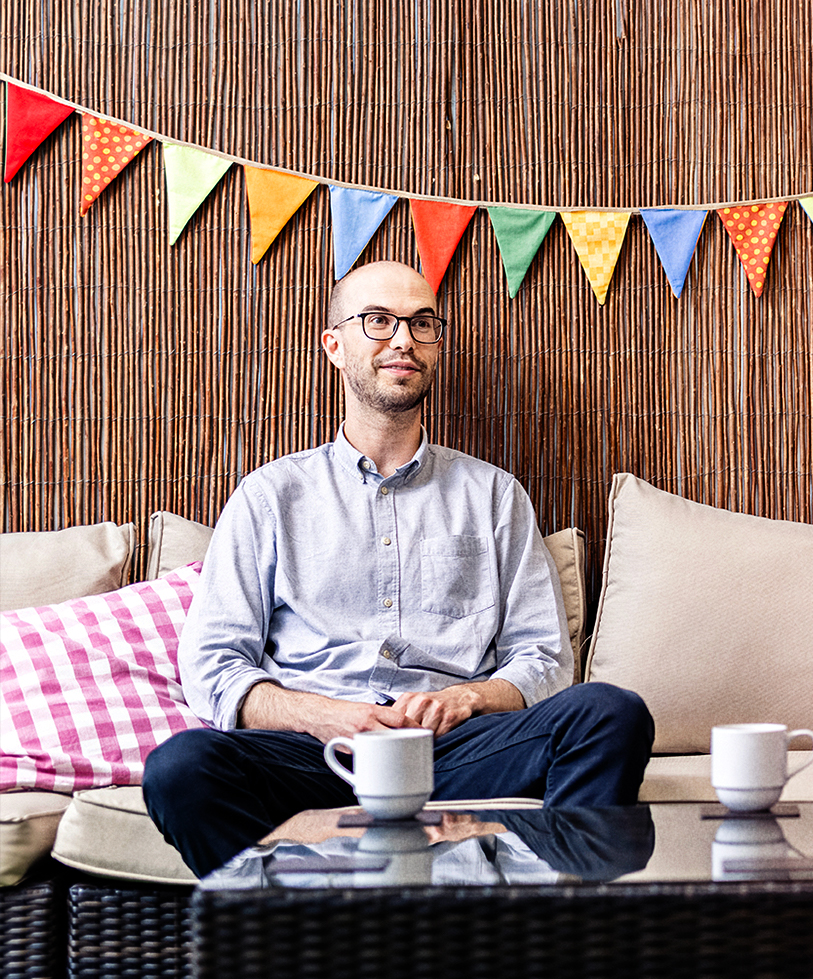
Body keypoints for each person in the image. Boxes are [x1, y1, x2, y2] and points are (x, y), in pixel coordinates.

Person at [145, 261, 656, 878]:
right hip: (316, 752)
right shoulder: (269, 496)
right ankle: (286, 925)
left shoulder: (494, 495)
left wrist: (468, 698)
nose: (403, 340)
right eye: (378, 321)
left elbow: (544, 657)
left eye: (421, 323)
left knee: (608, 714)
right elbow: (213, 666)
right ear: (334, 346)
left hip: (455, 752)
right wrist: (325, 715)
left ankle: (548, 921)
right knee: (181, 768)